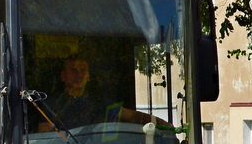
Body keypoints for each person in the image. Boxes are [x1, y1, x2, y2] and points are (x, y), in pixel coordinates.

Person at [36, 56, 166, 132]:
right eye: (74, 70)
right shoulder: (51, 104)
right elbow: (45, 135)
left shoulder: (98, 102)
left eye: (83, 70)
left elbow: (131, 117)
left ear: (88, 77)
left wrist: (164, 125)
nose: (79, 74)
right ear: (63, 76)